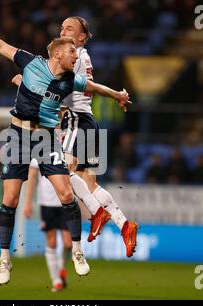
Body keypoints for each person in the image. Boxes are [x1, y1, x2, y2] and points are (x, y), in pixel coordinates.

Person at [0, 24, 130, 285]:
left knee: (66, 194)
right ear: (57, 55)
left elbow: (95, 87)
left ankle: (77, 252)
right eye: (72, 52)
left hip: (45, 138)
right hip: (18, 136)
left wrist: (117, 95)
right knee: (10, 199)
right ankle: (4, 259)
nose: (76, 56)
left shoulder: (70, 80)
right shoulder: (30, 62)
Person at [58, 17, 138, 257]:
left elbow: (62, 85)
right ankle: (125, 225)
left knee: (60, 169)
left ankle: (96, 213)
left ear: (82, 37)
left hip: (76, 121)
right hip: (89, 122)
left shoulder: (75, 57)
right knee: (90, 185)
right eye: (62, 27)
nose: (63, 30)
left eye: (69, 28)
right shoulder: (81, 56)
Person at [23, 158, 71, 292]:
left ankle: (61, 268)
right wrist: (27, 202)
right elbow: (32, 177)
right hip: (46, 203)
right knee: (52, 241)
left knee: (68, 243)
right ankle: (56, 280)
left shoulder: (66, 148)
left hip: (66, 201)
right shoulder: (38, 150)